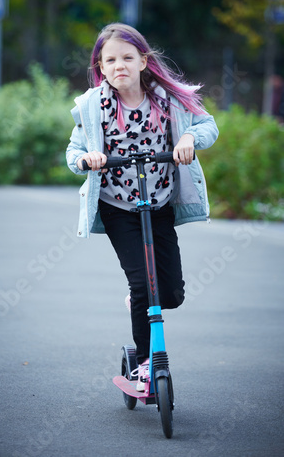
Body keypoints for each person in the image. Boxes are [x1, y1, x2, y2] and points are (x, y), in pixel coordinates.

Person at [66, 23, 219, 391]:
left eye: (127, 58)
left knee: (171, 295)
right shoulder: (93, 107)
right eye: (111, 60)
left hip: (160, 202)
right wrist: (89, 158)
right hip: (119, 207)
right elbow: (73, 154)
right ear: (101, 67)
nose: (120, 65)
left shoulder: (168, 99)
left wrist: (187, 137)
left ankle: (145, 299)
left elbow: (208, 125)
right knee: (143, 287)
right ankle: (146, 364)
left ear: (143, 61)